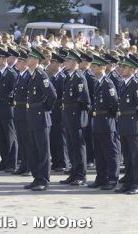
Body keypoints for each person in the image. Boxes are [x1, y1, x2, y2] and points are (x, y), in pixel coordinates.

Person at [23, 47, 57, 191]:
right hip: (32, 115)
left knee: (43, 151)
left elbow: (52, 95)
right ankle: (37, 178)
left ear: (36, 60)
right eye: (28, 58)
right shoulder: (32, 75)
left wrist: (45, 109)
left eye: (31, 58)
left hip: (40, 116)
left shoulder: (41, 75)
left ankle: (43, 180)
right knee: (34, 149)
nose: (27, 60)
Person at [115, 56, 138, 195]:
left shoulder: (137, 83)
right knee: (128, 156)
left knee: (136, 156)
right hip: (124, 123)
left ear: (131, 69)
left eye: (124, 67)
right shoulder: (124, 83)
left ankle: (137, 183)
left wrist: (137, 119)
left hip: (134, 123)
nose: (121, 69)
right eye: (121, 67)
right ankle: (128, 182)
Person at [87, 54, 120, 190]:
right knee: (99, 152)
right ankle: (101, 178)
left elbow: (114, 104)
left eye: (95, 66)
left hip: (106, 120)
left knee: (110, 151)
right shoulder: (98, 82)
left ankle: (112, 179)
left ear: (102, 67)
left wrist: (109, 117)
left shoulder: (108, 83)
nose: (92, 69)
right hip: (97, 120)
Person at [59, 49, 90, 186]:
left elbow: (85, 100)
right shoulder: (69, 76)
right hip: (68, 117)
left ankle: (81, 175)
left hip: (76, 118)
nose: (65, 63)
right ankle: (73, 172)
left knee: (78, 147)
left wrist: (76, 113)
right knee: (71, 148)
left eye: (68, 61)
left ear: (74, 62)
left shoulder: (79, 77)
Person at [0, 46, 18, 173]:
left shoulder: (11, 73)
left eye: (0, 57)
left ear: (6, 59)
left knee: (10, 136)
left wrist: (10, 101)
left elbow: (15, 90)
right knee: (1, 136)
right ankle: (4, 160)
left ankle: (11, 163)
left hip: (7, 107)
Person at [48, 51, 69, 172]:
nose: (50, 64)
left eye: (53, 62)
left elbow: (62, 96)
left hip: (60, 112)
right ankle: (56, 160)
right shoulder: (54, 77)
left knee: (61, 138)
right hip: (53, 111)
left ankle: (63, 161)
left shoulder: (62, 78)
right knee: (54, 137)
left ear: (59, 64)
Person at [12, 48, 32, 176]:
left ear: (25, 63)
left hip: (25, 111)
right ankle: (23, 165)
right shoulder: (20, 75)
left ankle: (29, 166)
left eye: (19, 61)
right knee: (21, 139)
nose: (17, 63)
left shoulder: (29, 76)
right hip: (18, 110)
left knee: (27, 140)